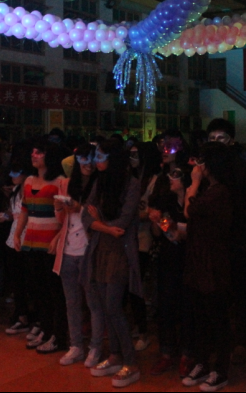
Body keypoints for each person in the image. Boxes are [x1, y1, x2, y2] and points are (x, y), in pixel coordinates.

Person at [83, 141, 142, 388]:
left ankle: (131, 362)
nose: (96, 160)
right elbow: (86, 216)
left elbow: (124, 222)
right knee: (105, 306)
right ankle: (116, 355)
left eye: (101, 156)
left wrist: (100, 223)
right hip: (101, 248)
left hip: (120, 251)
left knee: (113, 306)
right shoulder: (101, 182)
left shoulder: (132, 184)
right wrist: (105, 227)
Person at [182, 142, 235, 393]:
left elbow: (189, 210)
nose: (198, 166)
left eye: (203, 162)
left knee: (217, 318)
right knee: (201, 316)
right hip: (199, 259)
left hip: (213, 262)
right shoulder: (211, 189)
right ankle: (202, 362)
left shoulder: (220, 192)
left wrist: (192, 184)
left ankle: (220, 370)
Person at [53, 144, 105, 368]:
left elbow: (100, 217)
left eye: (92, 159)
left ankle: (95, 347)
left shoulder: (100, 185)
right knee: (72, 302)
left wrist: (79, 208)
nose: (88, 164)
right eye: (83, 159)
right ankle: (76, 345)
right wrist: (59, 207)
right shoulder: (66, 183)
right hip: (67, 250)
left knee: (93, 302)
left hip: (88, 249)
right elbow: (61, 220)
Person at [13, 142, 68, 354]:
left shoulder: (60, 181)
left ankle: (58, 334)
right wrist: (18, 233)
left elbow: (66, 216)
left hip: (51, 242)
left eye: (39, 152)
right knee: (38, 290)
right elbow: (25, 209)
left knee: (54, 291)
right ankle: (46, 330)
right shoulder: (28, 180)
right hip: (31, 241)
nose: (34, 155)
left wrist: (58, 237)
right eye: (33, 152)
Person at [148, 166, 193, 378]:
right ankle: (166, 353)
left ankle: (187, 354)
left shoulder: (193, 200)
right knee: (166, 307)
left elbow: (189, 232)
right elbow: (162, 233)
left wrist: (171, 226)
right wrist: (157, 219)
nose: (171, 179)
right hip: (168, 260)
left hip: (190, 261)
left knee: (188, 308)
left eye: (175, 175)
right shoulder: (165, 201)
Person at [129, 141, 162, 352]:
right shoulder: (133, 177)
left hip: (145, 237)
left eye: (135, 155)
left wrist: (130, 215)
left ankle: (143, 330)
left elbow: (152, 212)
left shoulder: (155, 180)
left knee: (136, 285)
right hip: (131, 235)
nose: (132, 158)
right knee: (131, 285)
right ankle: (137, 325)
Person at [3, 159, 36, 336]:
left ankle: (35, 318)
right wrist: (7, 216)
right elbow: (15, 213)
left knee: (31, 280)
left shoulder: (31, 189)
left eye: (16, 172)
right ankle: (22, 315)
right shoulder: (16, 190)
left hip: (29, 239)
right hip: (14, 237)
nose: (12, 176)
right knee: (17, 280)